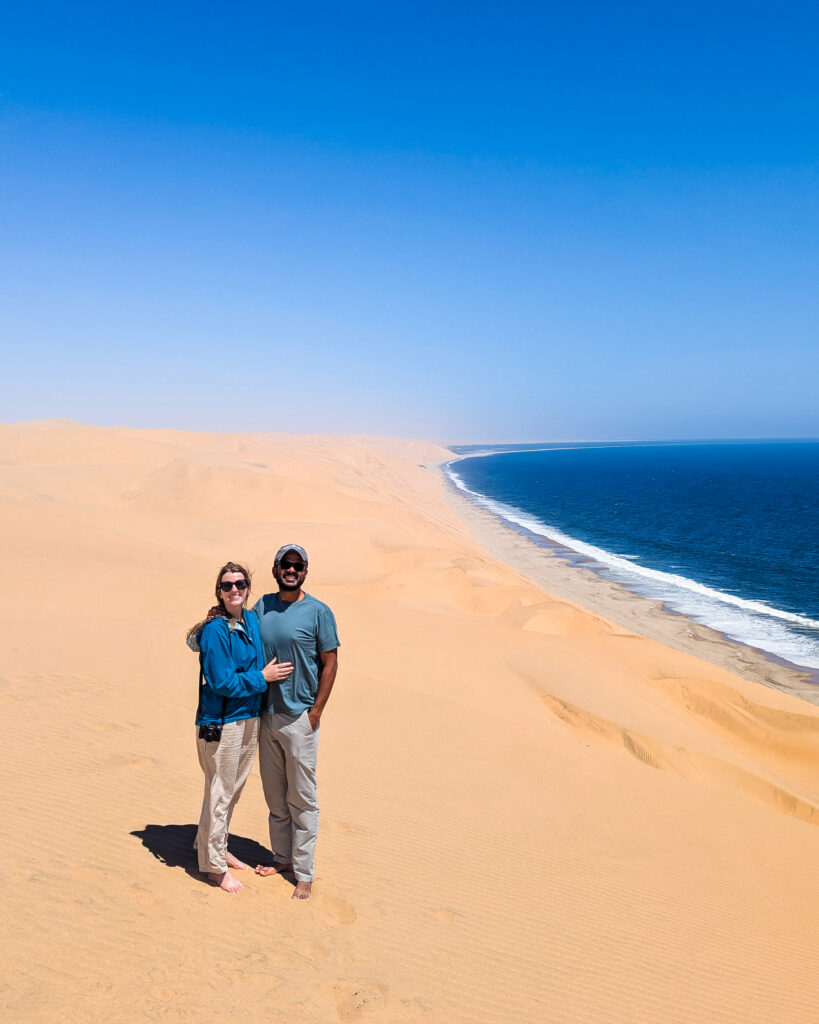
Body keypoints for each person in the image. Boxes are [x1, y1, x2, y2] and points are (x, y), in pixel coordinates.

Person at [189, 561, 293, 893]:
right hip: (221, 723)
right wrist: (261, 678)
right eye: (227, 585)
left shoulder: (250, 619)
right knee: (221, 792)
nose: (235, 590)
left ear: (248, 587)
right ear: (218, 592)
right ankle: (214, 867)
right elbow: (221, 682)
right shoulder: (216, 630)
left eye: (240, 584)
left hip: (249, 718)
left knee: (230, 792)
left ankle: (208, 846)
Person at [253, 544, 339, 899]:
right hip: (266, 715)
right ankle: (282, 858)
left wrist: (316, 712)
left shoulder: (318, 612)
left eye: (297, 565)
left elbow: (330, 664)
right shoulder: (263, 605)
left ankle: (304, 872)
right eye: (285, 565)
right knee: (275, 797)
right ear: (275, 569)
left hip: (299, 718)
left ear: (305, 570)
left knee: (302, 798)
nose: (291, 570)